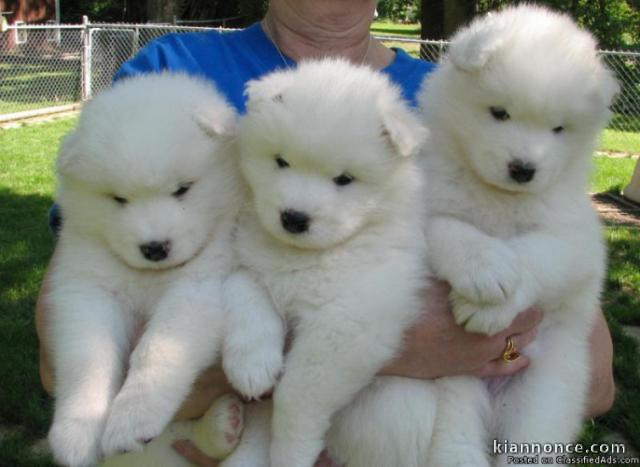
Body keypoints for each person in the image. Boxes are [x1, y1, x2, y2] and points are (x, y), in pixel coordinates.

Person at [35, 1, 615, 465]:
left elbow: (592, 381)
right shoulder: (174, 70)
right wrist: (365, 350)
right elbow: (66, 345)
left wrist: (491, 349)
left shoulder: (444, 102)